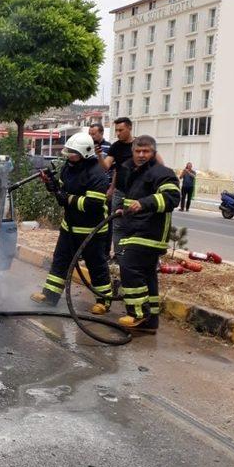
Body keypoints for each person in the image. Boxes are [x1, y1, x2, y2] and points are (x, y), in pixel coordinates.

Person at [30, 132, 112, 314]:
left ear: (85, 153)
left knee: (96, 265)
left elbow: (93, 204)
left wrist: (68, 198)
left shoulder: (97, 173)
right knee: (60, 261)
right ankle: (49, 296)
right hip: (69, 227)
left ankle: (103, 300)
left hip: (92, 230)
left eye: (72, 152)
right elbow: (61, 193)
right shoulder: (68, 168)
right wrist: (52, 186)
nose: (68, 155)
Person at [114, 135, 180, 333]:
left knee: (129, 268)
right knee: (147, 275)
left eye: (146, 151)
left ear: (154, 153)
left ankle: (138, 313)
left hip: (150, 232)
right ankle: (151, 320)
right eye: (138, 151)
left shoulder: (162, 173)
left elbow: (172, 197)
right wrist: (120, 209)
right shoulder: (134, 173)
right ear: (133, 152)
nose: (141, 155)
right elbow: (128, 199)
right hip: (135, 229)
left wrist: (145, 203)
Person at [96, 117, 135, 259]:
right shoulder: (116, 147)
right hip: (120, 191)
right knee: (117, 225)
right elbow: (108, 167)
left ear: (130, 128)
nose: (118, 133)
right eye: (116, 130)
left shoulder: (139, 146)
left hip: (136, 193)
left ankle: (132, 256)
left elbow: (156, 164)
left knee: (133, 224)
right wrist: (99, 155)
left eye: (121, 130)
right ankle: (119, 256)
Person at [89, 123, 113, 255]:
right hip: (89, 187)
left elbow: (114, 169)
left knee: (106, 220)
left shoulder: (109, 148)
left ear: (102, 133)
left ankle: (105, 252)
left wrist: (112, 189)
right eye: (90, 133)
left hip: (105, 187)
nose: (91, 136)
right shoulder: (86, 146)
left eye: (94, 133)